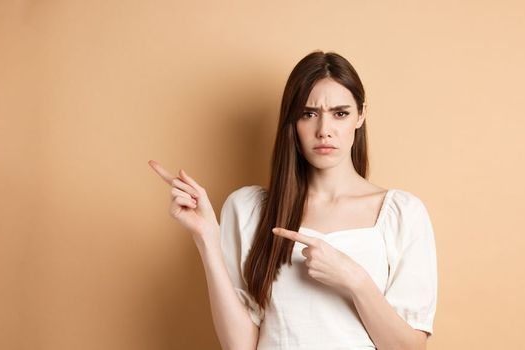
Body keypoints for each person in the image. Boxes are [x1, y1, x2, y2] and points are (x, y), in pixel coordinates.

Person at [149, 50, 437, 349]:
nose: (324, 130)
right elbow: (240, 346)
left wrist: (355, 280)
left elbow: (409, 348)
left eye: (340, 113)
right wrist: (207, 238)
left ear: (361, 115)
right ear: (292, 120)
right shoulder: (250, 209)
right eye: (308, 114)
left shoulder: (402, 214)